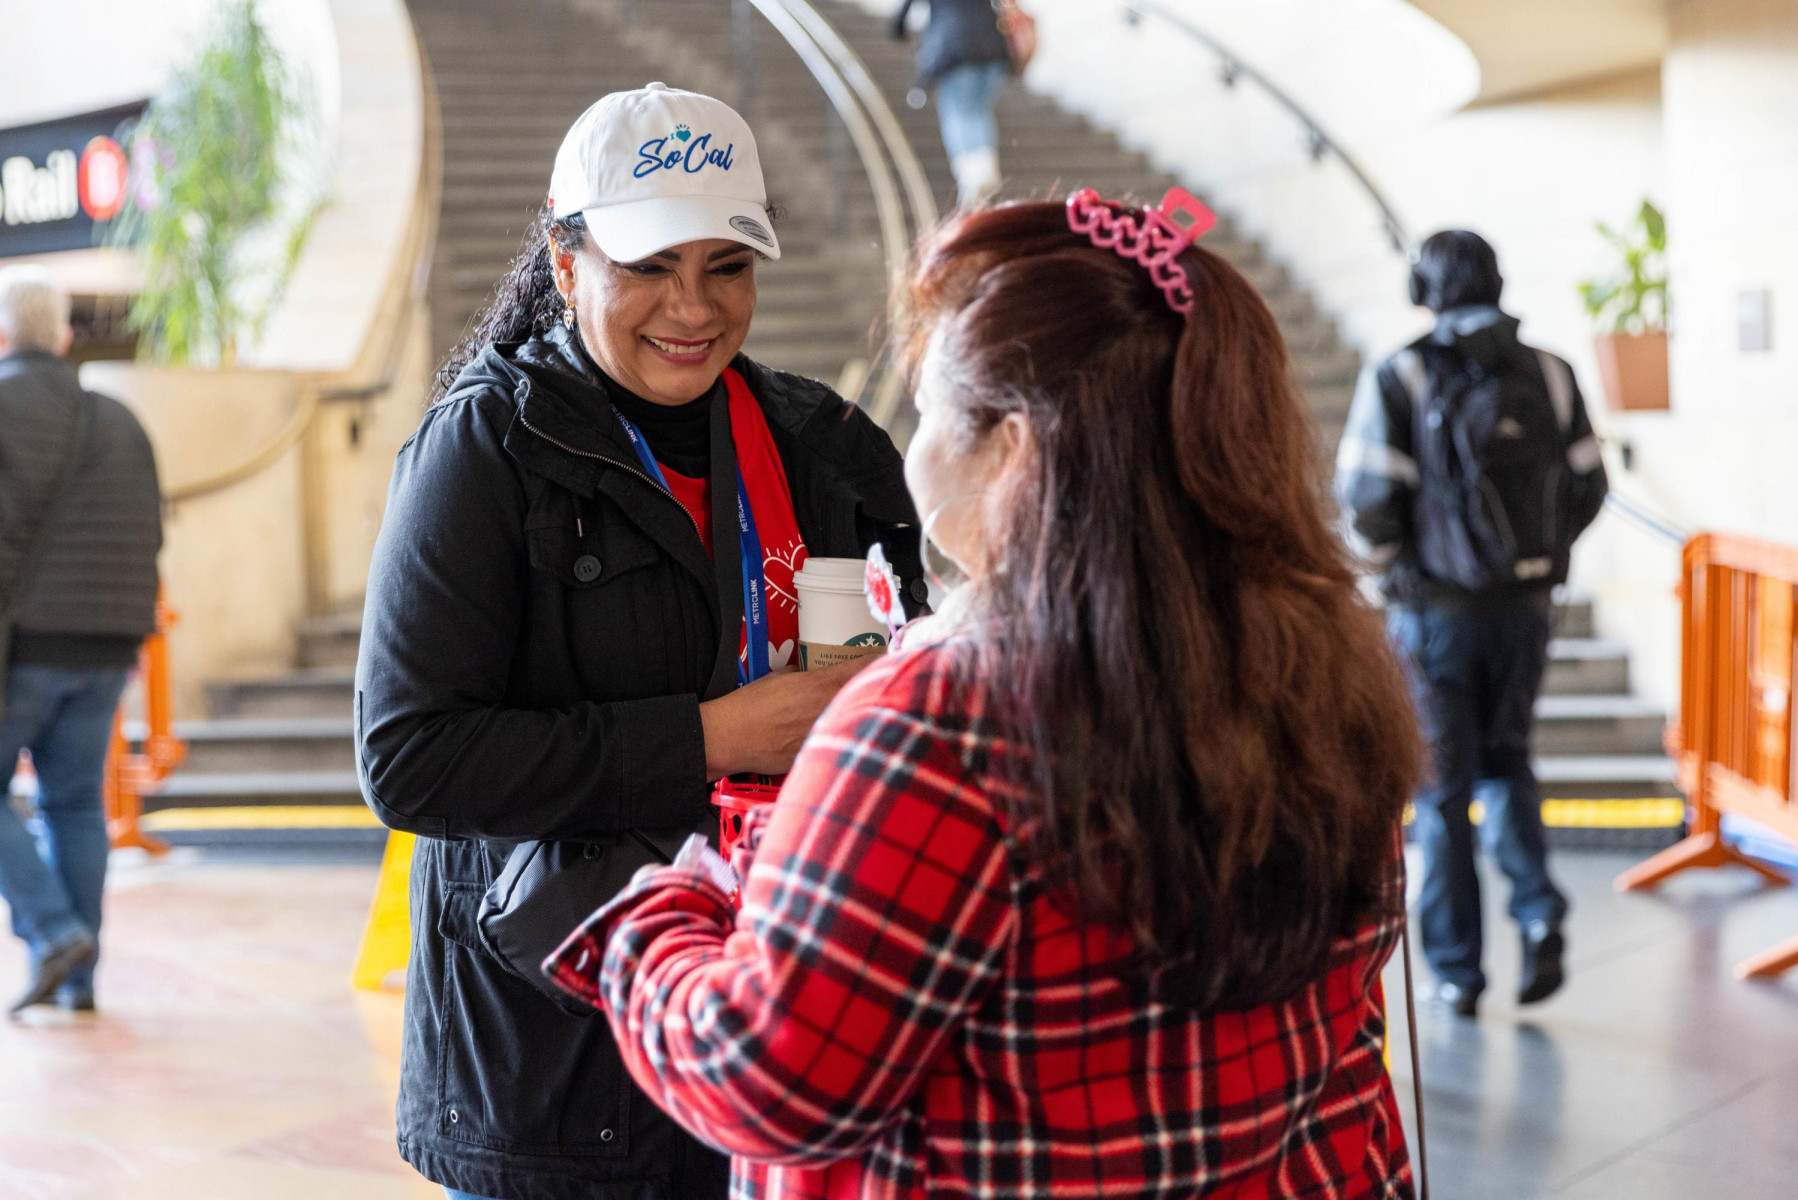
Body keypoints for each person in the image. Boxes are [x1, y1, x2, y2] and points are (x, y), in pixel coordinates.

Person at [546, 192, 1426, 1197]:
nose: (913, 450)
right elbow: (1350, 1041)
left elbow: (766, 1081)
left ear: (1014, 455)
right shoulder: (1324, 665)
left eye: (925, 414)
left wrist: (661, 915)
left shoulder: (939, 727)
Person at [355, 83, 924, 1200]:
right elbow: (410, 759)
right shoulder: (485, 448)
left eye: (726, 266)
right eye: (651, 264)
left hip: (766, 1035)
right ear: (566, 265)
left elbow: (887, 678)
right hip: (553, 1065)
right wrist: (709, 736)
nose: (694, 306)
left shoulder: (826, 448)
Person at [1335, 230, 1609, 1018]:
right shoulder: (1550, 373)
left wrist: (1400, 566)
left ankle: (1457, 971)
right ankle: (1539, 914)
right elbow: (1590, 485)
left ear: (1424, 290)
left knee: (1442, 792)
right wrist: (1535, 558)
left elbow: (1366, 499)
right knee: (1511, 762)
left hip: (1435, 618)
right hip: (1525, 612)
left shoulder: (1404, 372)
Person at [0, 265, 162, 1016]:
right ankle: (79, 981)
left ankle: (54, 929)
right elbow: (152, 535)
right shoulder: (119, 418)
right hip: (105, 648)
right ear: (63, 336)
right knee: (73, 806)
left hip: (24, 647)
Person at [892, 0, 1018, 207]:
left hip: (955, 50)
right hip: (993, 50)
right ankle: (985, 168)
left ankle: (972, 178)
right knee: (979, 112)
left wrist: (899, 32)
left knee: (958, 113)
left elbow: (900, 17)